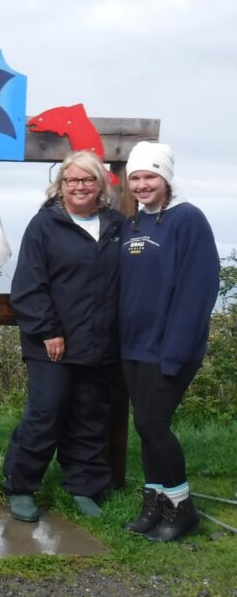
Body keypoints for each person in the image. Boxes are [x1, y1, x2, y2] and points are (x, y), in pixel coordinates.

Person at [2, 151, 125, 523]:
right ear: (61, 185)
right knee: (45, 414)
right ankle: (21, 487)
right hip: (51, 346)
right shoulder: (44, 226)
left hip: (101, 343)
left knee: (90, 416)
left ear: (100, 186)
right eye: (72, 180)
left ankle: (84, 487)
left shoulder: (118, 225)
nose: (79, 187)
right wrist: (48, 330)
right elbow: (27, 286)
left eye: (88, 180)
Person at [119, 142, 219, 541]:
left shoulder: (188, 220)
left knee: (152, 423)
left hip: (171, 348)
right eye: (136, 178)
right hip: (133, 348)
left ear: (166, 179)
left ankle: (181, 507)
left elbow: (198, 291)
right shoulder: (132, 224)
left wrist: (175, 351)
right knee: (144, 428)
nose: (142, 185)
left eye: (150, 176)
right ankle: (154, 502)